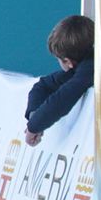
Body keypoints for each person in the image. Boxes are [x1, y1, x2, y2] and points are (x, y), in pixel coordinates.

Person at [24, 14, 94, 145]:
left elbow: (63, 99)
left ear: (67, 62)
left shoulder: (91, 68)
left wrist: (33, 127)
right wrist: (34, 115)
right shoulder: (79, 70)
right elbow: (42, 86)